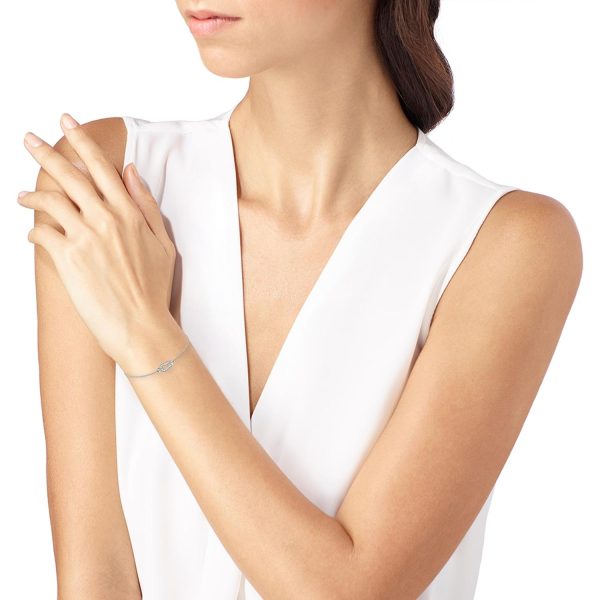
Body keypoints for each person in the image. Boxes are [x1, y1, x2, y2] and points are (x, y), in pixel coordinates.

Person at [27, 0, 582, 598]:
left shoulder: (503, 243)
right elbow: (95, 577)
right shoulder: (107, 181)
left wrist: (146, 334)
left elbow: (348, 590)